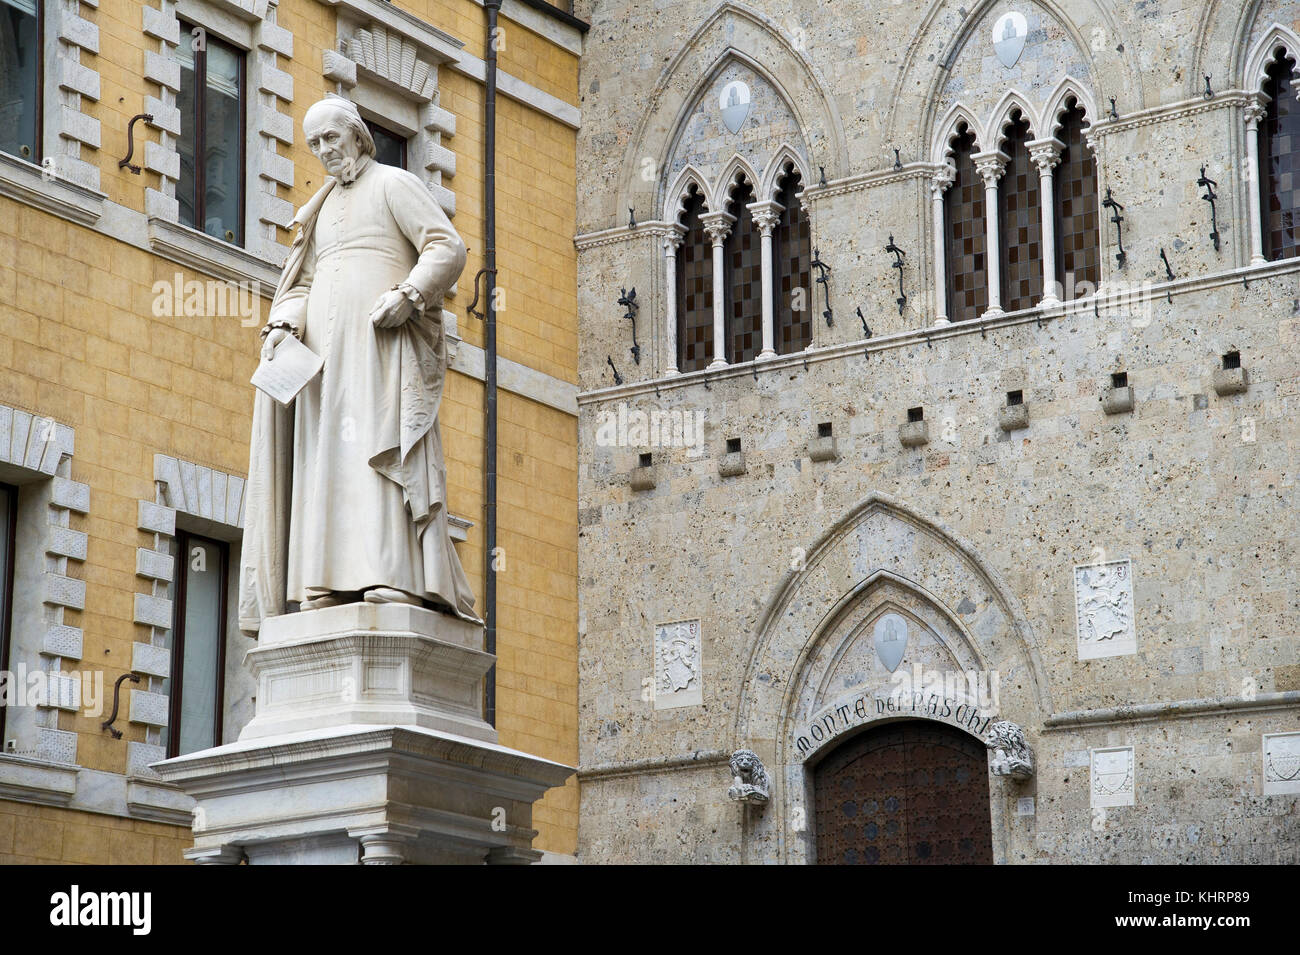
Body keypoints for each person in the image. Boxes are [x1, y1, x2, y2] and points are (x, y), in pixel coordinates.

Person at [238, 95, 477, 632]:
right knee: (324, 462)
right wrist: (281, 323)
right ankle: (321, 579)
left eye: (331, 138)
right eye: (315, 143)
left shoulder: (394, 184)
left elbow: (447, 247)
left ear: (357, 135)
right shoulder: (317, 209)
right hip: (322, 361)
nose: (325, 151)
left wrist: (411, 294)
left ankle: (387, 573)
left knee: (377, 453)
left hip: (379, 350)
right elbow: (301, 283)